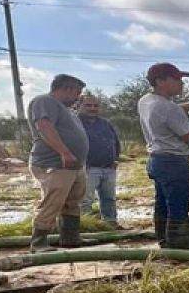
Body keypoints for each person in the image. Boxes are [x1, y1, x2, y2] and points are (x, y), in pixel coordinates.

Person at [137, 63, 189, 249]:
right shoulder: (169, 108)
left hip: (156, 160)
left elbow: (172, 109)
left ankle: (163, 241)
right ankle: (180, 248)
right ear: (160, 81)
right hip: (174, 162)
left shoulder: (146, 101)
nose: (182, 83)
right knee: (178, 206)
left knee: (162, 203)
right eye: (177, 79)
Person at [27, 74, 88, 253]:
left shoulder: (65, 109)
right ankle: (38, 242)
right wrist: (64, 152)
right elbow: (44, 126)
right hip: (55, 162)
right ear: (66, 88)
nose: (78, 97)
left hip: (72, 165)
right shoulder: (45, 101)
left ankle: (70, 237)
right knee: (53, 201)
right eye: (77, 92)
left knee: (72, 202)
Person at [76, 94, 125, 229]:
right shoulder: (75, 123)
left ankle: (111, 224)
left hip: (108, 168)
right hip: (88, 168)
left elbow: (115, 141)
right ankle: (86, 227)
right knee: (85, 200)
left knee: (109, 199)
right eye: (88, 105)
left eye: (96, 106)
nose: (93, 108)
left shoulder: (105, 123)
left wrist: (115, 158)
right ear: (79, 106)